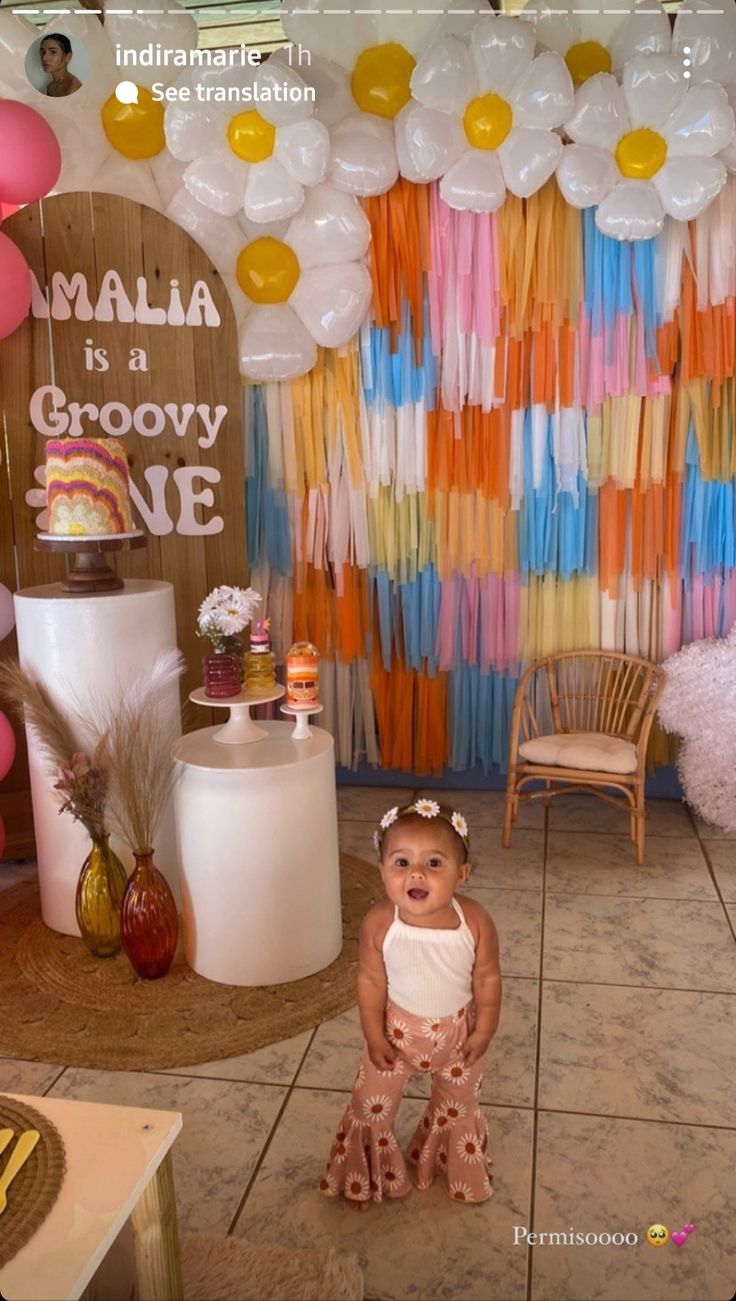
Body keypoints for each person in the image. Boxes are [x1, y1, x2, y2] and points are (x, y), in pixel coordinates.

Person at [319, 798, 502, 1208]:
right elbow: (369, 980)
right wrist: (372, 1035)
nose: (416, 873)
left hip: (458, 1037)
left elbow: (487, 976)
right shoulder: (380, 924)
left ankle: (447, 1166)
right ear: (382, 870)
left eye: (434, 864)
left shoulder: (474, 920)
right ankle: (363, 1176)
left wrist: (485, 1028)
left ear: (462, 874)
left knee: (459, 1105)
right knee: (369, 1105)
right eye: (401, 863)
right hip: (394, 1034)